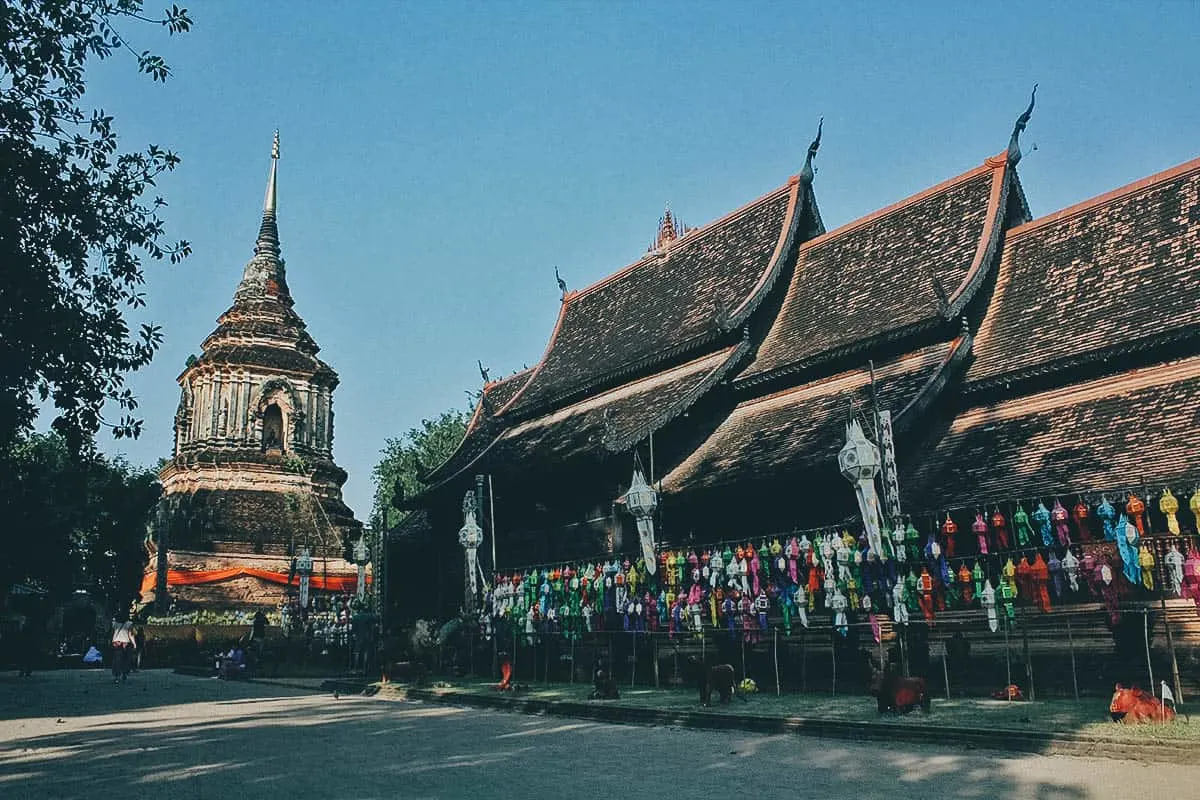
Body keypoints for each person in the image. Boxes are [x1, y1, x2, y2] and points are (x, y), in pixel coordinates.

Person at [111, 615, 136, 683]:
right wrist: (134, 643)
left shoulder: (115, 623)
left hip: (116, 643)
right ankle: (124, 674)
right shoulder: (129, 623)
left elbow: (112, 632)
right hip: (126, 643)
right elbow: (130, 634)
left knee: (117, 660)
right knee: (126, 660)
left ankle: (117, 676)